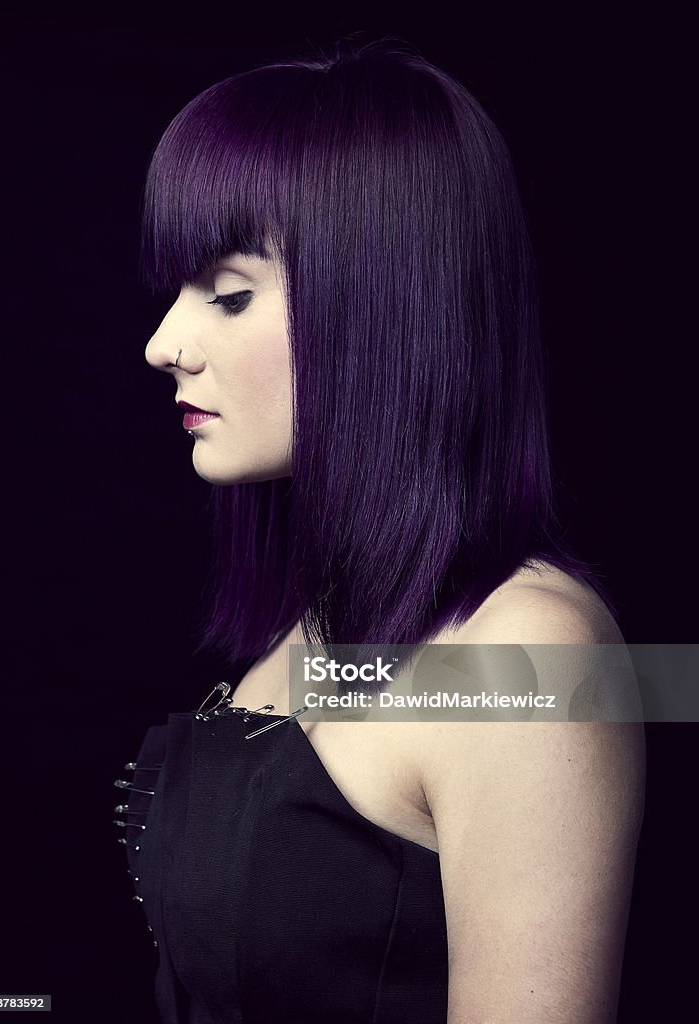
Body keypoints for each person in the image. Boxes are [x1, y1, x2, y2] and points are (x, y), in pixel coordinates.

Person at [118, 35, 645, 1023]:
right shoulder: (309, 625)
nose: (164, 344)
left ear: (376, 305)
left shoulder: (528, 654)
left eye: (226, 294)